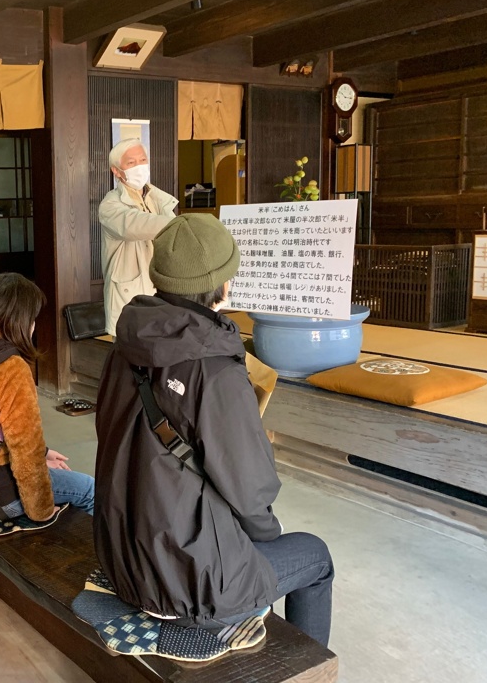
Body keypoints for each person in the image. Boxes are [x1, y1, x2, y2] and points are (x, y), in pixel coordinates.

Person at [94, 214, 333, 647]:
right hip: (190, 585)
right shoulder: (214, 369)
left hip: (123, 558)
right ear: (223, 285)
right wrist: (264, 537)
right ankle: (305, 667)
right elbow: (249, 484)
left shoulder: (125, 342)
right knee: (314, 556)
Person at [0, 272, 94, 521]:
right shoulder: (11, 368)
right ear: (19, 319)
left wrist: (44, 453)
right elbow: (26, 450)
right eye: (32, 317)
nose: (33, 325)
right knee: (89, 489)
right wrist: (41, 510)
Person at [98, 138, 177, 335]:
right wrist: (183, 224)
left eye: (142, 160)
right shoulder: (110, 205)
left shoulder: (157, 198)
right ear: (116, 171)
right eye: (131, 163)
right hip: (129, 297)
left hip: (161, 292)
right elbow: (137, 224)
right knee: (131, 349)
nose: (139, 167)